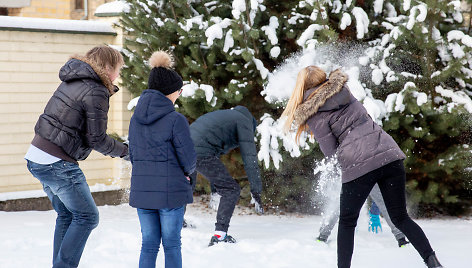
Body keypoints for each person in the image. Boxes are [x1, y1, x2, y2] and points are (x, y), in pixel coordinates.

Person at [281, 66, 443, 268]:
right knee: (400, 217)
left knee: (347, 222)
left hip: (358, 165)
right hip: (390, 155)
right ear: (323, 78)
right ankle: (433, 261)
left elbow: (331, 151)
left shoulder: (314, 113)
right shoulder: (344, 93)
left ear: (302, 87)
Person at [25, 45, 129, 267]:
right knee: (87, 217)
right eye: (119, 68)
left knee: (67, 215)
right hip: (56, 162)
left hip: (37, 156)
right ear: (108, 67)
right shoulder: (96, 89)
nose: (119, 74)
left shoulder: (73, 80)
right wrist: (126, 152)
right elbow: (97, 139)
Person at [128, 51, 196, 268]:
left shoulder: (135, 120)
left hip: (142, 191)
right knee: (172, 244)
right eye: (179, 91)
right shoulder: (175, 119)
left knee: (148, 245)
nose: (180, 94)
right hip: (170, 193)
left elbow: (133, 155)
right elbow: (188, 158)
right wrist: (188, 174)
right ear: (170, 92)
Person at [188, 106, 264, 246]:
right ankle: (220, 235)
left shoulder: (227, 117)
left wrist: (215, 189)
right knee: (231, 190)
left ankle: (175, 222)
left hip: (184, 147)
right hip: (199, 151)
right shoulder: (244, 122)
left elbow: (212, 152)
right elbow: (250, 158)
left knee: (187, 184)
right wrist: (256, 190)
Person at [317, 184, 410, 248]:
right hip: (365, 171)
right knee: (384, 204)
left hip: (356, 172)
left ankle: (323, 236)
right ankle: (400, 238)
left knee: (341, 203)